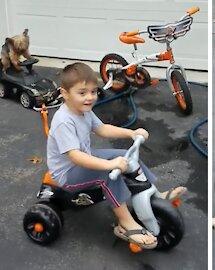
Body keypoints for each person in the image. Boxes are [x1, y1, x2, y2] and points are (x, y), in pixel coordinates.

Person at [47, 62, 186, 249]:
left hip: (85, 158)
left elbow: (102, 129)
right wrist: (108, 165)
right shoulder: (64, 121)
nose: (89, 97)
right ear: (65, 94)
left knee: (125, 156)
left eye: (93, 91)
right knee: (108, 174)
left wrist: (131, 133)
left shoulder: (83, 110)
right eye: (82, 93)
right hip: (68, 172)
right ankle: (125, 224)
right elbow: (75, 157)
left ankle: (156, 196)